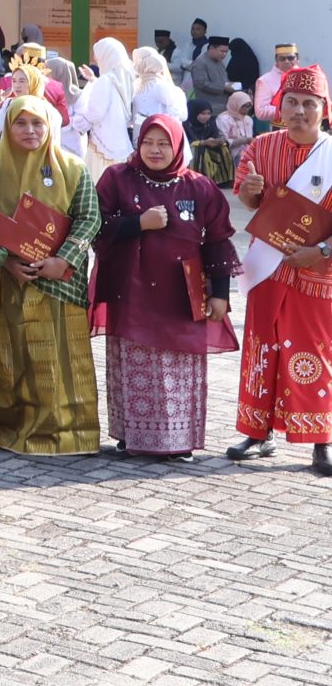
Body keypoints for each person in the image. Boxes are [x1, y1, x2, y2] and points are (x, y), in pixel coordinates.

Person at [92, 115, 237, 458]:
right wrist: (138, 223)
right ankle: (133, 438)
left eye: (163, 143)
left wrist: (220, 294)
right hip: (132, 290)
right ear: (137, 143)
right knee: (134, 365)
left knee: (178, 368)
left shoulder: (200, 187)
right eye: (148, 142)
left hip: (181, 296)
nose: (154, 150)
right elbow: (96, 227)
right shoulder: (117, 178)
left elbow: (218, 242)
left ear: (177, 146)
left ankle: (177, 442)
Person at [0, 94, 100, 454]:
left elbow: (90, 218)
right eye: (20, 123)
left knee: (60, 359)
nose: (30, 131)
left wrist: (63, 259)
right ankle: (5, 427)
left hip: (59, 282)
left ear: (51, 126)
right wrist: (5, 262)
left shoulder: (72, 168)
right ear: (7, 127)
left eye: (37, 123)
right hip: (9, 280)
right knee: (11, 356)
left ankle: (68, 432)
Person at [226, 64, 332, 475]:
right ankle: (257, 432)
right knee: (260, 349)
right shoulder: (260, 148)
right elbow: (250, 203)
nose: (300, 110)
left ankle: (321, 439)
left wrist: (320, 251)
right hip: (267, 268)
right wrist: (251, 195)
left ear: (324, 109)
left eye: (310, 103)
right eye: (292, 101)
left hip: (317, 274)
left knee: (315, 354)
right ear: (279, 105)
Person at [71, 37, 134, 182]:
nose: (96, 60)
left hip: (103, 143)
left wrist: (77, 123)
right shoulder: (124, 78)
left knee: (100, 184)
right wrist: (94, 80)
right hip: (120, 142)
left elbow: (96, 112)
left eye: (98, 57)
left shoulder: (106, 80)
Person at [130, 46, 187, 132]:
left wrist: (153, 120)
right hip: (139, 135)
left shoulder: (159, 85)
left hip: (157, 135)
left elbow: (179, 114)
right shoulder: (137, 84)